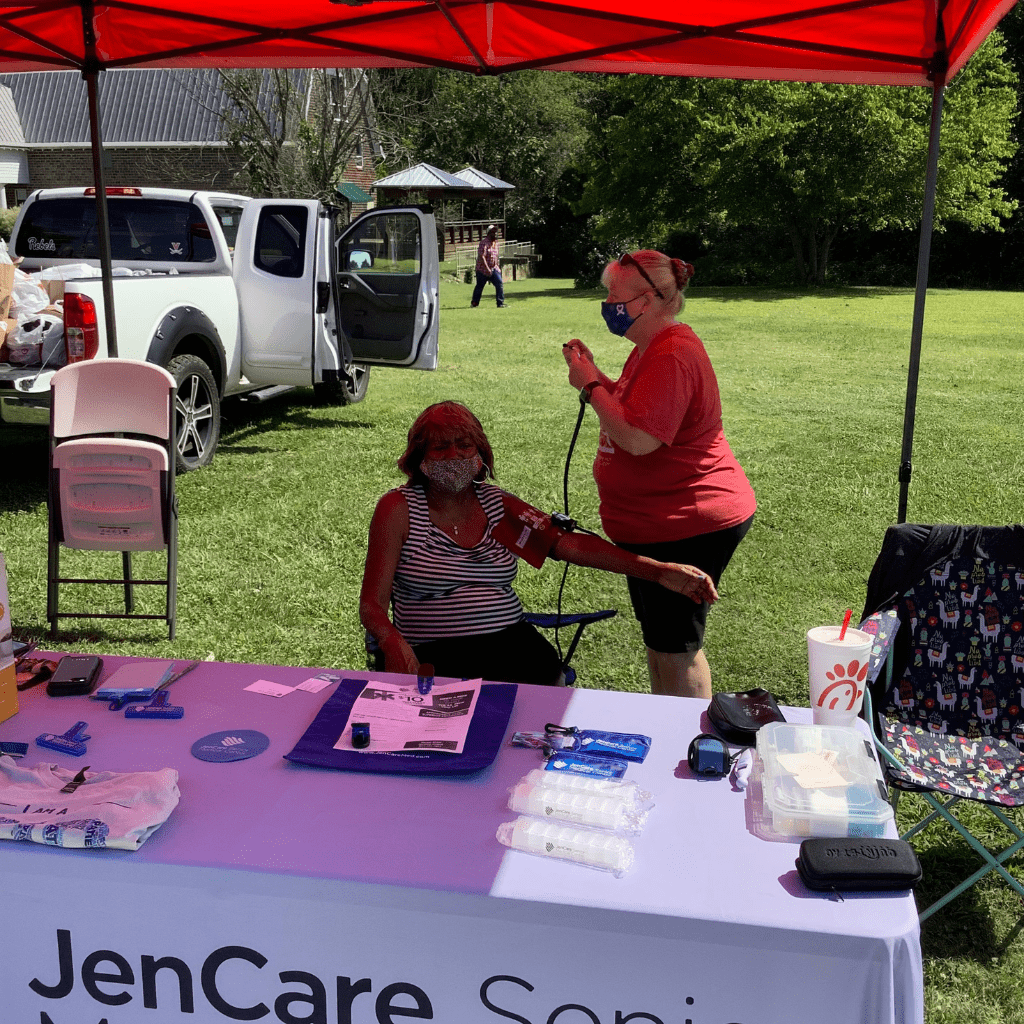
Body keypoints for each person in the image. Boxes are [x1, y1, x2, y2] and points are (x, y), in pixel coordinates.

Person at [359, 401, 718, 686]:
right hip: (432, 650)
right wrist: (392, 641)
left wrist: (656, 571)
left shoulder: (497, 504)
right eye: (440, 448)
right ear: (419, 457)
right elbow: (372, 606)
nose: (454, 456)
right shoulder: (399, 509)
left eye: (464, 445)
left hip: (510, 644)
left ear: (480, 453)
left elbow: (568, 545)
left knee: (535, 732)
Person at [562, 250, 756, 700]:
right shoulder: (650, 348)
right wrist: (597, 378)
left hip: (687, 522)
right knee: (661, 642)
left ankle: (689, 740)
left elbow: (638, 437)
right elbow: (634, 409)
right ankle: (668, 727)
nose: (607, 304)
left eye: (614, 296)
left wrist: (590, 386)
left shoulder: (672, 353)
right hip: (660, 522)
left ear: (648, 300)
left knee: (676, 648)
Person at [471, 225, 505, 308]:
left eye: (496, 232)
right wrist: (487, 269)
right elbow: (482, 256)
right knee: (480, 286)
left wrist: (497, 268)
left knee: (499, 283)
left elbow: (496, 256)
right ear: (489, 233)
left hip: (494, 268)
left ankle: (500, 303)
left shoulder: (496, 243)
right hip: (482, 269)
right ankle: (474, 303)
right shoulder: (484, 243)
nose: (496, 234)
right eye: (494, 232)